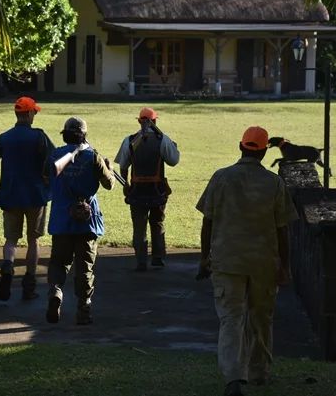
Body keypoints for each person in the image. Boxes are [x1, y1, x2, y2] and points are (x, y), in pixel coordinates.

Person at [195, 126, 298, 396]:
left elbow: (208, 222)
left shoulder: (221, 178)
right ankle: (259, 372)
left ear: (240, 147)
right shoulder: (274, 183)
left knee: (231, 318)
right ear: (265, 152)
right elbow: (282, 229)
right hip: (264, 262)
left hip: (227, 261)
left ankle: (234, 379)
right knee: (261, 318)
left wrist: (205, 258)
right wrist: (284, 267)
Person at [44, 117, 115, 325]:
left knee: (59, 262)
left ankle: (56, 291)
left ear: (65, 134)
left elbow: (46, 177)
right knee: (85, 267)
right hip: (87, 222)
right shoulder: (93, 157)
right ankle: (84, 309)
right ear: (84, 134)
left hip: (61, 220)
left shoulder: (55, 155)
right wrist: (108, 168)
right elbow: (109, 184)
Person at [0, 96, 54, 301]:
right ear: (28, 113)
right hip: (35, 195)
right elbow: (53, 159)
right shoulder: (39, 137)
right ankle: (29, 285)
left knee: (10, 239)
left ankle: (8, 266)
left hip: (10, 194)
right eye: (34, 111)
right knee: (33, 240)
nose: (35, 115)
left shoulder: (4, 137)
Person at [114, 107, 179, 271]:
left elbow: (123, 165)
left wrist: (126, 186)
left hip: (137, 190)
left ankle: (141, 261)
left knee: (139, 227)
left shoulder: (129, 140)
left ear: (139, 121)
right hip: (157, 189)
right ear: (155, 121)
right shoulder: (162, 139)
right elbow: (173, 161)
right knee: (157, 223)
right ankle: (157, 258)